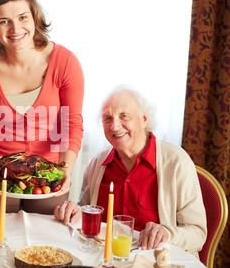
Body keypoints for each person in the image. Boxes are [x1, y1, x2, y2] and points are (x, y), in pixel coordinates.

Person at [0, 0, 84, 214]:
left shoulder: (65, 62)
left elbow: (72, 125)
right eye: (4, 21)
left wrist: (65, 168)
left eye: (22, 17)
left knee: (45, 240)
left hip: (48, 170)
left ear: (34, 18)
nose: (15, 28)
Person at [54, 86, 207, 255]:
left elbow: (197, 233)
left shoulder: (177, 162)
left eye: (124, 116)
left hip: (155, 262)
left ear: (143, 119)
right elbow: (86, 211)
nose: (114, 126)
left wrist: (167, 234)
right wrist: (76, 212)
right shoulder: (97, 163)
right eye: (107, 118)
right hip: (101, 260)